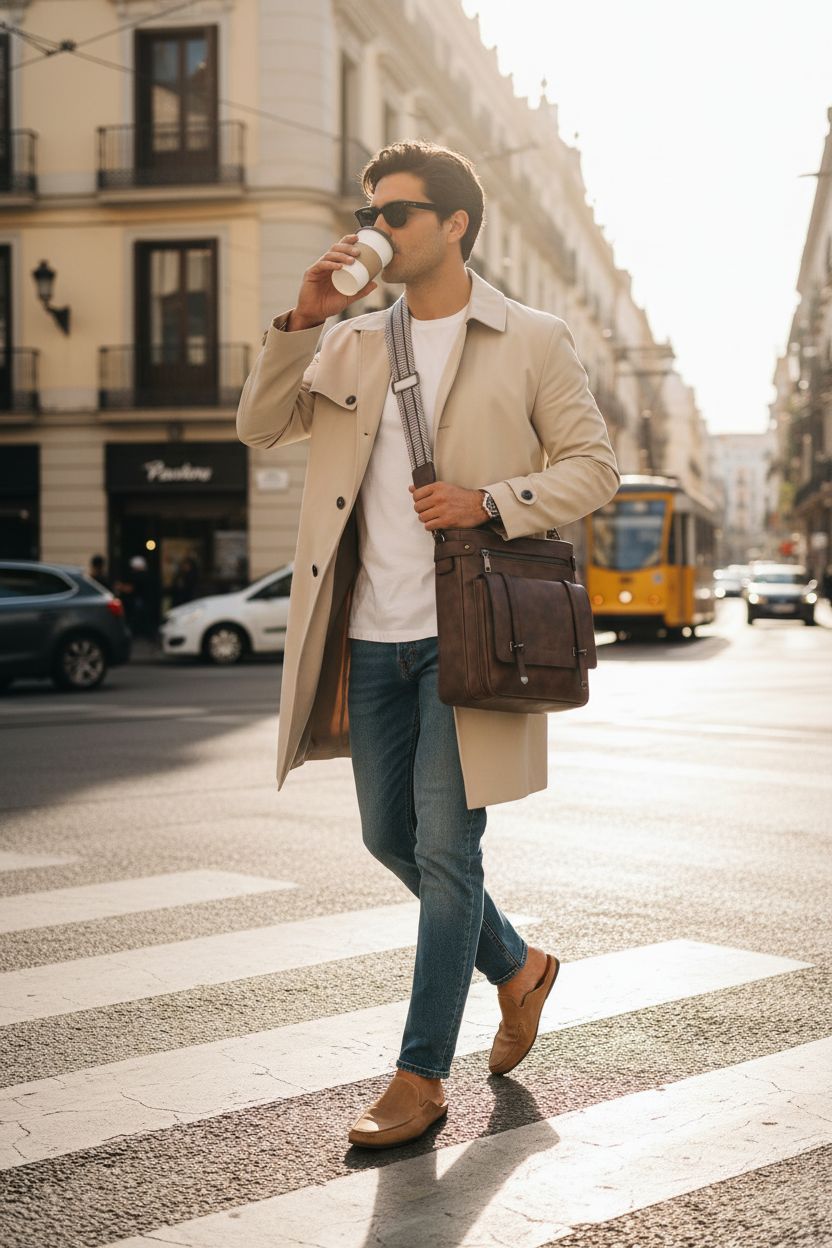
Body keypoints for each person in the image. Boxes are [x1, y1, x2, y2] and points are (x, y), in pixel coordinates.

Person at [236, 141, 620, 1149]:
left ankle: (417, 1078)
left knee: (449, 853)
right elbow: (259, 425)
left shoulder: (529, 337)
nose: (377, 228)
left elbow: (593, 467)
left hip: (470, 635)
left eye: (397, 212)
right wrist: (303, 321)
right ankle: (519, 965)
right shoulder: (353, 344)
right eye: (370, 210)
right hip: (370, 635)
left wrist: (493, 500)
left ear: (454, 225)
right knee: (387, 838)